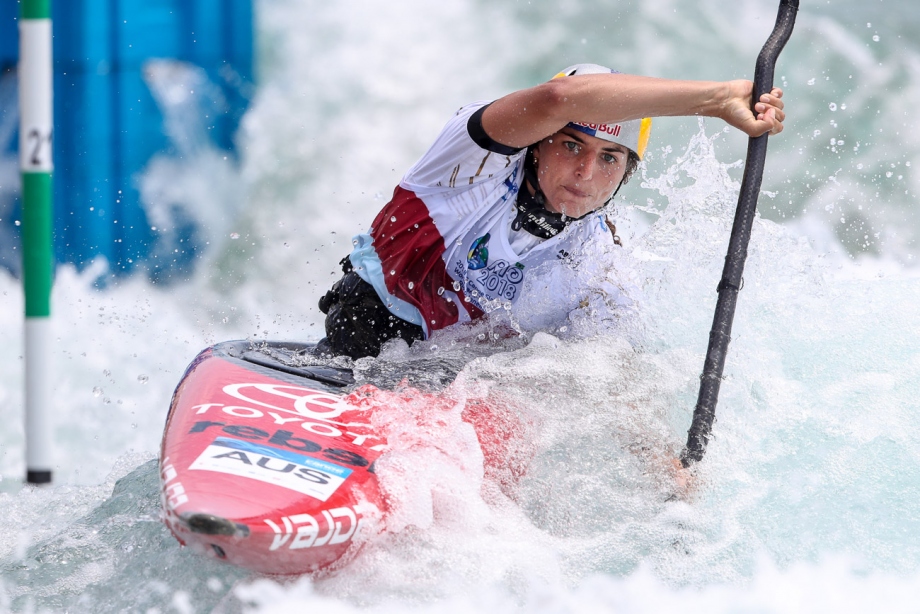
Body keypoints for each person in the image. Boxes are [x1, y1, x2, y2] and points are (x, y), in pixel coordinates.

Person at [317, 64, 785, 359]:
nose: (585, 171)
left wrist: (663, 466)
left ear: (626, 173)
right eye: (569, 145)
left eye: (609, 158)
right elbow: (557, 99)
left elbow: (610, 373)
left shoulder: (598, 260)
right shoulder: (470, 161)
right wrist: (716, 99)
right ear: (537, 145)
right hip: (367, 334)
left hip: (446, 379)